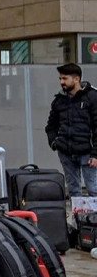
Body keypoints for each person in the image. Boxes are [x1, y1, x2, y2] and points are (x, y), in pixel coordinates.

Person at [46, 62, 97, 197]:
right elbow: (51, 126)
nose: (62, 82)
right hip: (66, 152)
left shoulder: (92, 97)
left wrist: (95, 154)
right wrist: (54, 142)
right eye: (60, 79)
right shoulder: (59, 100)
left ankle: (93, 218)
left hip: (88, 153)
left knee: (93, 189)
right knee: (74, 191)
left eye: (65, 78)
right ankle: (78, 218)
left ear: (76, 79)